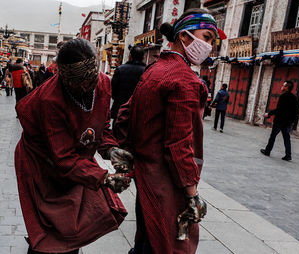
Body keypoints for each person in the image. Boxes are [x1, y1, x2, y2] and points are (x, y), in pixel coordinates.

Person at [113, 8, 222, 254]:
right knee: (165, 243)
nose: (209, 46)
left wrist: (131, 153)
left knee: (147, 237)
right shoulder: (184, 80)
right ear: (184, 37)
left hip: (146, 174)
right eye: (206, 37)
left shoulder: (154, 69)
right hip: (166, 182)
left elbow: (124, 116)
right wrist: (192, 193)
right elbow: (179, 144)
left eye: (212, 41)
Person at [14, 38, 134, 254]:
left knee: (73, 223)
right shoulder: (50, 100)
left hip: (75, 156)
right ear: (65, 79)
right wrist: (104, 178)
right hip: (43, 160)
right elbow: (63, 158)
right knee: (51, 226)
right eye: (78, 84)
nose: (86, 87)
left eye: (90, 81)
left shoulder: (103, 83)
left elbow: (101, 126)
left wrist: (111, 149)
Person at [110, 45, 146, 131]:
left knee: (117, 135)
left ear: (130, 56)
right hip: (138, 112)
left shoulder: (120, 69)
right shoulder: (147, 71)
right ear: (143, 57)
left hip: (120, 109)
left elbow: (113, 91)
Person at [260, 80, 298, 161]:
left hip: (280, 121)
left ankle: (267, 151)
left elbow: (279, 110)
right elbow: (295, 111)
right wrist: (292, 122)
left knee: (272, 137)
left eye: (284, 85)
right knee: (286, 138)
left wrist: (269, 114)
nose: (282, 86)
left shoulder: (283, 96)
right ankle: (288, 155)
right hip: (288, 122)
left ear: (287, 87)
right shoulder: (294, 98)